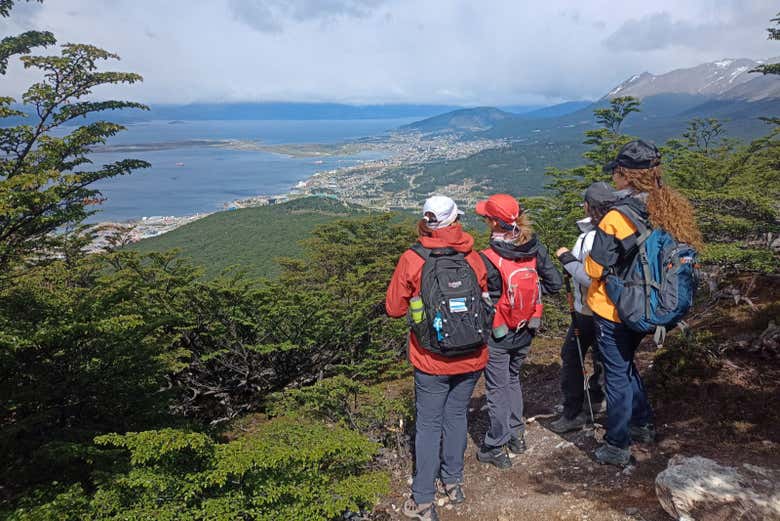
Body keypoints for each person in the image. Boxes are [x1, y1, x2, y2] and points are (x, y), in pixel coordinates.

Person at [585, 140, 703, 466]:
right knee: (625, 366)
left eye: (617, 174)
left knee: (616, 375)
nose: (615, 180)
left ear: (625, 175)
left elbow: (594, 268)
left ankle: (616, 444)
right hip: (648, 304)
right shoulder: (668, 205)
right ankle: (643, 424)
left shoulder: (616, 218)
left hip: (615, 308)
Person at [386, 195, 489, 521]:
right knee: (456, 416)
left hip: (431, 358)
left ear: (426, 221)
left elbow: (393, 308)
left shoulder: (412, 259)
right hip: (472, 356)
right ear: (455, 219)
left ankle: (423, 500)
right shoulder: (473, 257)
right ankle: (453, 483)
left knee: (429, 425)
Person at [474, 194, 562, 469]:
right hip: (527, 328)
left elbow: (480, 297)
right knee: (512, 378)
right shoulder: (535, 249)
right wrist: (529, 299)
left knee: (498, 387)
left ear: (492, 222)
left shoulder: (486, 258)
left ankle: (496, 443)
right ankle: (517, 435)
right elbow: (555, 283)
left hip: (499, 331)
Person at [550, 182, 616, 433]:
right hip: (607, 310)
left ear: (590, 206)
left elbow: (589, 277)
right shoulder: (616, 230)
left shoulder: (593, 237)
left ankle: (573, 412)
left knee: (572, 357)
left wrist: (566, 259)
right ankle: (597, 399)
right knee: (601, 356)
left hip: (589, 310)